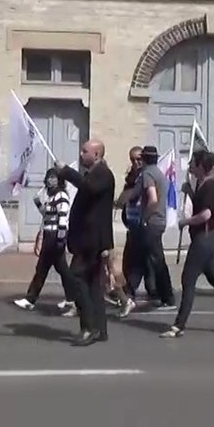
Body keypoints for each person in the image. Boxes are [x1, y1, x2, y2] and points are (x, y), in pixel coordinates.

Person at [159, 150, 214, 339]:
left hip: (204, 239)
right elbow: (201, 204)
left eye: (192, 162)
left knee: (187, 280)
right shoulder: (202, 184)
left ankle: (178, 326)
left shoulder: (211, 185)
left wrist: (185, 222)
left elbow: (206, 214)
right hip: (206, 238)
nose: (189, 165)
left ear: (199, 165)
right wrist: (189, 192)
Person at [55, 140, 116, 346]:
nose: (81, 155)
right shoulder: (94, 174)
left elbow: (89, 188)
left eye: (85, 151)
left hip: (92, 241)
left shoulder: (103, 174)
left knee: (76, 278)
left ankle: (88, 327)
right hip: (88, 239)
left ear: (97, 154)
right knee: (93, 285)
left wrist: (66, 171)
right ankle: (100, 329)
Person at [14, 169, 78, 314]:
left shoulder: (61, 195)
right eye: (49, 178)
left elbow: (63, 216)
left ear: (60, 180)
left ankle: (31, 299)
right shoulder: (52, 196)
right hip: (50, 234)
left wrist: (60, 237)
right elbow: (47, 215)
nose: (51, 180)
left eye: (54, 178)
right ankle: (72, 298)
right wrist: (38, 204)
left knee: (44, 268)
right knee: (60, 269)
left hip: (55, 235)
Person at [127, 146, 174, 310]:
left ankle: (166, 297)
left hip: (151, 222)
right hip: (159, 221)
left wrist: (145, 217)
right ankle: (133, 293)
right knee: (146, 259)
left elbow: (152, 198)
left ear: (145, 159)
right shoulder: (159, 173)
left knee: (151, 260)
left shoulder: (148, 174)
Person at [116, 146, 152, 306]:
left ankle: (131, 291)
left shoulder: (147, 176)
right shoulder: (132, 176)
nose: (136, 162)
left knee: (140, 261)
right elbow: (124, 197)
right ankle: (130, 290)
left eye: (138, 159)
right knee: (131, 260)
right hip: (132, 222)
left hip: (142, 223)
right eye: (133, 160)